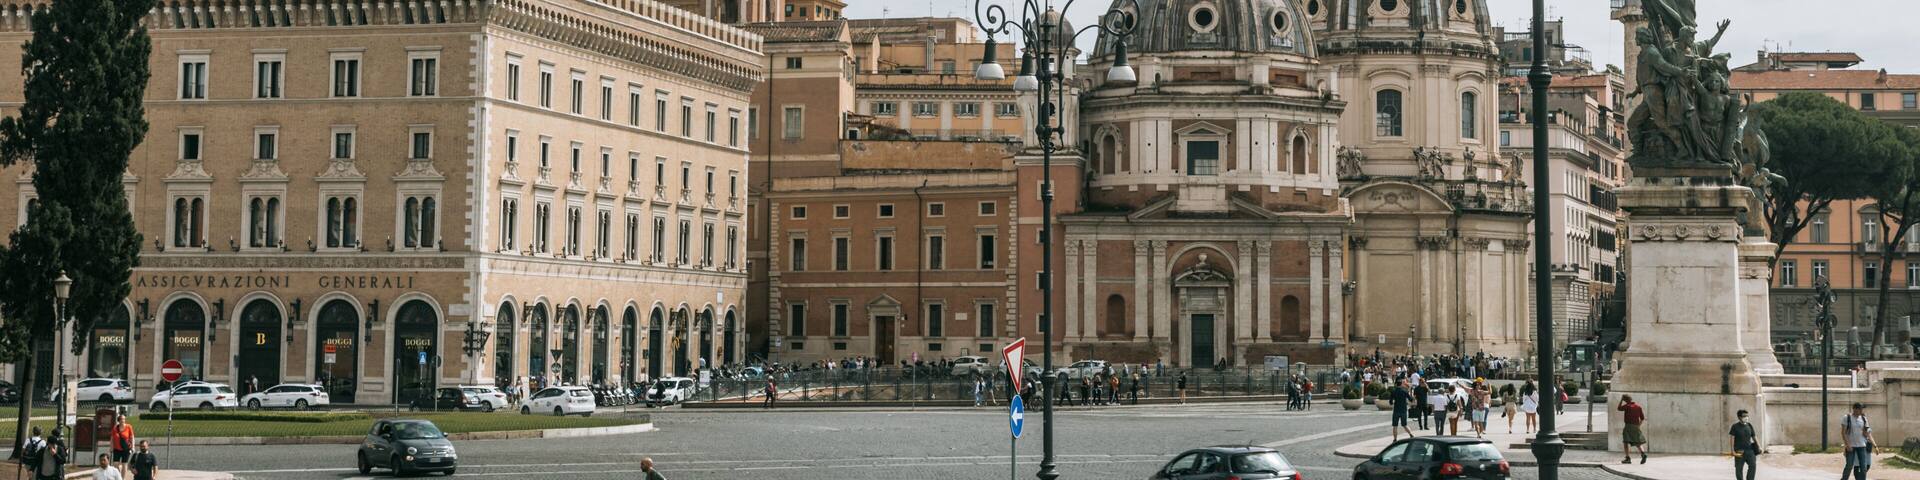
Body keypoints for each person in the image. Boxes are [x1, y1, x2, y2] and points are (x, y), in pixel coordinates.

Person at [1840, 402, 1874, 480]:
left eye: (1862, 409)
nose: (1862, 411)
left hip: (1862, 446)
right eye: (1860, 409)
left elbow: (1865, 433)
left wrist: (1867, 434)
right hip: (1851, 446)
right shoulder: (1847, 417)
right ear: (1855, 409)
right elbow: (1843, 433)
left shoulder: (1864, 418)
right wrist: (1847, 445)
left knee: (1864, 467)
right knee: (1849, 466)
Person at [1618, 394, 1649, 464]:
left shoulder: (1627, 406)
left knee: (1626, 442)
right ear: (1631, 399)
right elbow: (1642, 418)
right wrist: (1638, 426)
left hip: (1628, 426)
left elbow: (1619, 408)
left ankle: (1628, 458)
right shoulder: (1638, 407)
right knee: (1638, 442)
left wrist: (1621, 400)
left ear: (1625, 400)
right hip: (1635, 426)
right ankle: (1643, 454)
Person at [1729, 409, 1758, 480]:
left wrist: (1759, 446)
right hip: (1739, 451)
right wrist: (1732, 450)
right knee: (1739, 469)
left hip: (1750, 450)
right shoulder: (1735, 426)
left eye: (1747, 415)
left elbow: (1754, 436)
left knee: (1753, 466)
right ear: (1739, 417)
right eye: (1744, 416)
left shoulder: (1749, 425)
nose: (1746, 417)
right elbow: (1732, 438)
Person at [110, 412, 135, 477]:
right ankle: (119, 477)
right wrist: (111, 447)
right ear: (119, 420)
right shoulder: (115, 428)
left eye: (124, 419)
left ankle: (123, 478)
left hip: (126, 449)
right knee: (115, 464)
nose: (123, 420)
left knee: (124, 464)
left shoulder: (129, 427)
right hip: (116, 448)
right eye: (121, 419)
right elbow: (112, 438)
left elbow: (132, 437)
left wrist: (133, 447)